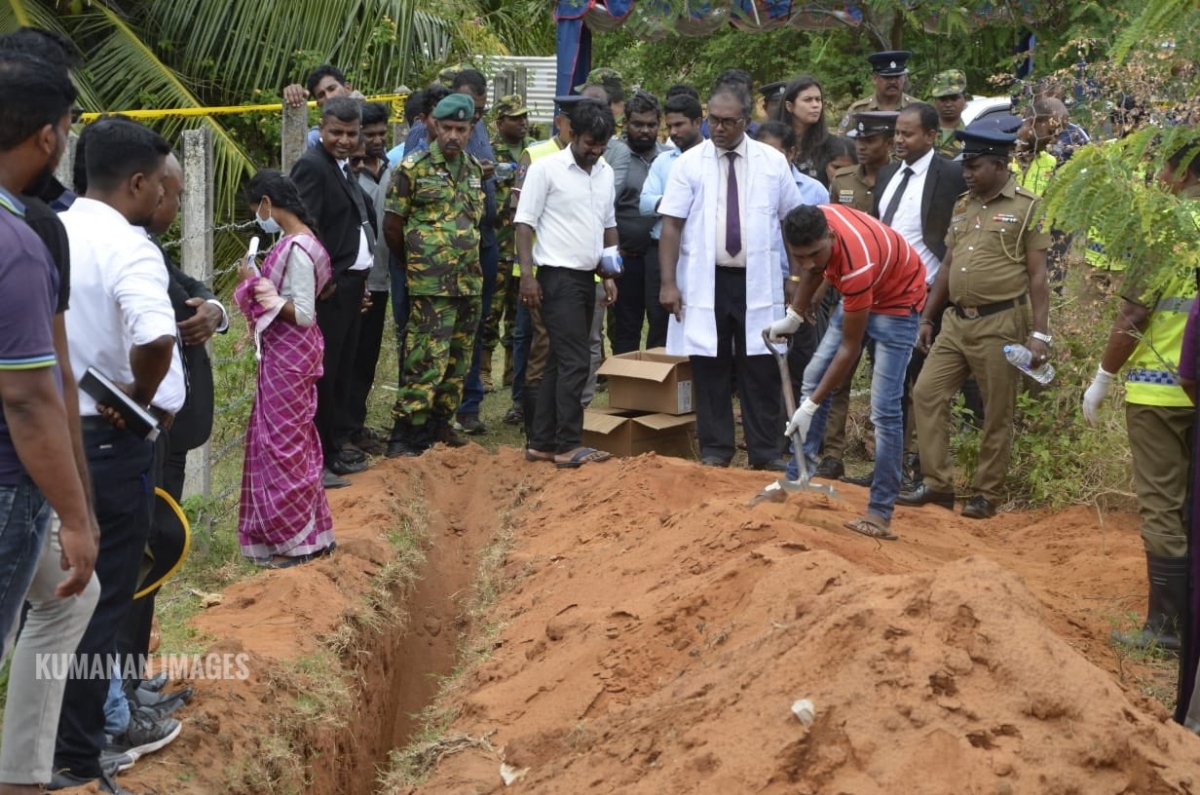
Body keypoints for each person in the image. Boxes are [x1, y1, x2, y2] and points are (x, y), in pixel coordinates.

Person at [55, 117, 180, 795]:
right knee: (100, 602)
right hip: (105, 441)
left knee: (49, 597)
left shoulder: (49, 229)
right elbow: (157, 335)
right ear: (136, 183)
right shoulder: (129, 247)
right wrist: (137, 390)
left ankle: (48, 743)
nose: (163, 195)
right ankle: (79, 753)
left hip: (42, 434)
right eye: (160, 184)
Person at [0, 50, 100, 795]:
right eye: (67, 125)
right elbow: (31, 397)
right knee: (73, 579)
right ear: (45, 136)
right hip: (10, 485)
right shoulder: (19, 246)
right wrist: (76, 514)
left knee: (70, 595)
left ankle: (24, 775)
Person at [1082, 141, 1200, 651]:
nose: (1157, 177)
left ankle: (1165, 628)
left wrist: (1104, 376)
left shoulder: (1168, 231)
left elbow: (1134, 316)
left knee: (1162, 507)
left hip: (1162, 394)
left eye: (1162, 167)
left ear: (1180, 173)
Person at [898, 126, 1051, 519]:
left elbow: (1037, 276)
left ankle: (987, 493)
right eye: (965, 164)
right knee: (927, 393)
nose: (966, 172)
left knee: (995, 410)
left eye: (975, 165)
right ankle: (937, 484)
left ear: (999, 165)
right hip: (955, 321)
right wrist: (928, 317)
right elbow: (948, 264)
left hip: (1001, 322)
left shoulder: (1029, 207)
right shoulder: (963, 205)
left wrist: (1038, 334)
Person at [758, 204, 926, 540]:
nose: (807, 262)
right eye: (798, 256)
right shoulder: (814, 222)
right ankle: (796, 479)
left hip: (897, 302)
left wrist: (810, 406)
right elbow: (813, 268)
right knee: (814, 379)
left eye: (814, 254)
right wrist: (795, 314)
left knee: (885, 409)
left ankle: (879, 514)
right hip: (861, 292)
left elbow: (849, 351)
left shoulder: (855, 264)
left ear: (830, 237)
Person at [658, 84, 802, 471]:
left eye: (728, 121)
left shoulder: (772, 162)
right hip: (706, 281)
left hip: (760, 280)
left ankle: (766, 451)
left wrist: (797, 278)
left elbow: (792, 221)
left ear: (746, 122)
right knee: (710, 363)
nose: (718, 129)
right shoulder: (688, 163)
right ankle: (717, 448)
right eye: (713, 120)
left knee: (760, 364)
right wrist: (669, 283)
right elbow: (671, 225)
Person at [862, 101, 968, 490]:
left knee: (925, 388)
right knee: (888, 385)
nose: (899, 141)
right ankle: (888, 468)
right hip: (886, 296)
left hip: (929, 297)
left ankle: (924, 469)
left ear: (930, 136)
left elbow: (956, 237)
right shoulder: (888, 173)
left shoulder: (952, 174)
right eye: (897, 133)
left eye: (908, 134)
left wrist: (939, 287)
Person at [235, 170, 337, 568]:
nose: (258, 218)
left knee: (285, 446)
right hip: (289, 357)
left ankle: (294, 542)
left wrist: (256, 286)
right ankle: (306, 534)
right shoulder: (300, 241)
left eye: (257, 210)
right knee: (291, 441)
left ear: (267, 203)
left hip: (291, 357)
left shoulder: (296, 248)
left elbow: (305, 313)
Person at [516, 100, 618, 469]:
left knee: (561, 361)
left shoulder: (604, 171)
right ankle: (569, 443)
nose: (594, 151)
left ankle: (542, 443)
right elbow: (524, 224)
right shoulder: (546, 169)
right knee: (577, 361)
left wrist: (609, 271)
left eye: (602, 145)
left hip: (587, 276)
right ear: (572, 133)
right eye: (590, 142)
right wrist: (527, 276)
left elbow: (608, 224)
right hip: (556, 277)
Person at [383, 94, 485, 457]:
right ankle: (406, 433)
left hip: (468, 282)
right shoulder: (413, 168)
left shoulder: (473, 169)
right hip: (430, 285)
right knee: (425, 359)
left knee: (458, 359)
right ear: (435, 127)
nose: (454, 135)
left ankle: (441, 422)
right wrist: (417, 264)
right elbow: (392, 226)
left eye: (461, 128)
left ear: (471, 129)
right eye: (447, 128)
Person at [290, 96, 377, 486]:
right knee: (323, 376)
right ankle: (317, 458)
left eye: (350, 133)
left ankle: (335, 446)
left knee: (342, 370)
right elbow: (305, 225)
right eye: (335, 132)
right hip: (329, 288)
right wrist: (323, 279)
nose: (344, 140)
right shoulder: (312, 166)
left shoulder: (342, 167)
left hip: (350, 285)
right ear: (320, 129)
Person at [815, 110, 898, 480]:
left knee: (889, 380)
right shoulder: (843, 181)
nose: (863, 147)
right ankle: (832, 453)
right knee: (839, 372)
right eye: (859, 141)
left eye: (871, 141)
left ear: (889, 142)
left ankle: (887, 457)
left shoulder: (901, 179)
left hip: (891, 297)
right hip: (847, 294)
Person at [450, 69, 499, 436]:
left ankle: (469, 406)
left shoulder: (479, 131)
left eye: (480, 111)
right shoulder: (432, 130)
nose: (474, 116)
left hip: (484, 241)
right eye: (470, 108)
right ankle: (434, 411)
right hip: (443, 255)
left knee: (475, 323)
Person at [346, 102, 395, 458]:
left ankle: (356, 423)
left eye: (382, 134)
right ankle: (344, 429)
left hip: (381, 280)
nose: (377, 140)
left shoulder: (394, 169)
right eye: (370, 134)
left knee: (366, 358)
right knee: (346, 359)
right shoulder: (349, 175)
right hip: (354, 281)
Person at [640, 91, 704, 350]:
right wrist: (676, 205)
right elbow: (644, 202)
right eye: (670, 126)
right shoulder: (663, 161)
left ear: (698, 122)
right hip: (662, 253)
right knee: (660, 319)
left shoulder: (714, 159)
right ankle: (661, 384)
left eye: (680, 125)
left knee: (700, 319)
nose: (673, 132)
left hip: (700, 252)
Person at [609, 90, 667, 354]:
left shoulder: (669, 158)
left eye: (651, 125)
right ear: (626, 123)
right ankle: (625, 387)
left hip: (660, 259)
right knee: (626, 327)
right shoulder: (613, 157)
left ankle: (658, 387)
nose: (645, 131)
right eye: (638, 124)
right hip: (625, 259)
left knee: (661, 325)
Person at [485, 94, 534, 396]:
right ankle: (483, 371)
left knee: (519, 315)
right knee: (491, 311)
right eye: (515, 118)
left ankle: (511, 372)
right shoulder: (489, 152)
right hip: (499, 242)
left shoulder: (534, 152)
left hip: (523, 247)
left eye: (525, 116)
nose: (523, 122)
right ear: (500, 121)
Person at [839, 50, 918, 132]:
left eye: (897, 77)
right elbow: (842, 141)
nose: (893, 82)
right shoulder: (858, 110)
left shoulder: (917, 109)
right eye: (887, 77)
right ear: (875, 78)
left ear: (904, 78)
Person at [774, 75, 833, 185]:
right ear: (789, 106)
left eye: (818, 100)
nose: (815, 105)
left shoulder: (831, 145)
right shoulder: (773, 143)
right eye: (808, 100)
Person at [281, 64, 354, 149]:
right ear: (319, 104)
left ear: (347, 88)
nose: (328, 97)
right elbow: (295, 148)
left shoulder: (369, 120)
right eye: (321, 95)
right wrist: (293, 104)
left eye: (332, 89)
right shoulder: (316, 139)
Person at [930, 69, 968, 158]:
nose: (948, 104)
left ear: (964, 99)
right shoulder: (923, 132)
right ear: (935, 101)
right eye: (943, 99)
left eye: (954, 98)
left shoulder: (970, 136)